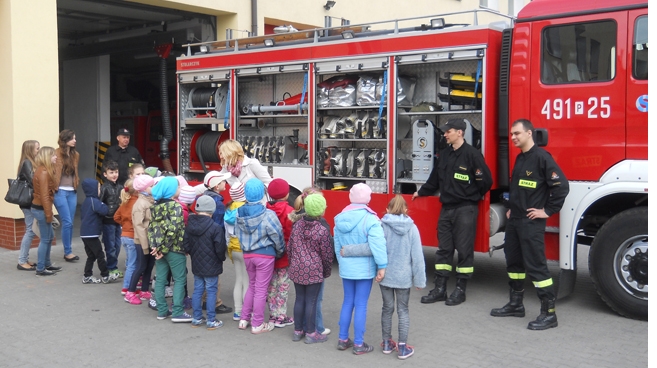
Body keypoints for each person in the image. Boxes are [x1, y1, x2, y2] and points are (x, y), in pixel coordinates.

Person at [490, 119, 569, 330]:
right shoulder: (520, 158)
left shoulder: (542, 158)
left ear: (529, 134)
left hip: (531, 223)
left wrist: (547, 211)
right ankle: (516, 305)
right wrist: (511, 206)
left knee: (536, 266)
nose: (513, 137)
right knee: (514, 263)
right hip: (515, 220)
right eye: (512, 134)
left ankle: (549, 313)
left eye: (517, 133)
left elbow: (561, 187)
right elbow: (520, 188)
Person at [413, 118, 492, 306]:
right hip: (446, 209)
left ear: (460, 133)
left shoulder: (473, 155)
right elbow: (434, 179)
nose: (445, 134)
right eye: (445, 131)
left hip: (465, 209)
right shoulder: (445, 155)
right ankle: (440, 288)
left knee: (464, 251)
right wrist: (421, 192)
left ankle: (460, 290)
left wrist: (470, 195)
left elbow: (486, 182)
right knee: (444, 250)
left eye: (449, 131)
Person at [333, 183, 387, 355]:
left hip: (347, 268)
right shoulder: (370, 219)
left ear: (350, 196)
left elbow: (337, 245)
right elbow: (378, 245)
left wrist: (342, 261)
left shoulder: (340, 217)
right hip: (364, 270)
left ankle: (342, 339)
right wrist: (382, 266)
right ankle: (358, 343)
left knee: (347, 301)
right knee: (361, 304)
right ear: (369, 198)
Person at [376, 196, 426, 359]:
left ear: (388, 209)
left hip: (385, 276)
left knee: (387, 309)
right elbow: (417, 256)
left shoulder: (382, 226)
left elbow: (376, 249)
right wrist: (420, 280)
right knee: (403, 310)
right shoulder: (412, 228)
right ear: (405, 210)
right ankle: (403, 348)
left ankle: (386, 343)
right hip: (404, 277)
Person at [235, 178, 284, 334]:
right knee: (261, 290)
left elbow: (236, 233)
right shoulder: (268, 214)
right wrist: (280, 250)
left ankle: (244, 319)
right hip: (265, 255)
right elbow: (277, 234)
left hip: (247, 254)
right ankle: (257, 323)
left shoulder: (239, 213)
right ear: (263, 194)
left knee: (252, 285)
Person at [288, 193, 334, 344]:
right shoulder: (322, 230)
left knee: (299, 299)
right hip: (314, 270)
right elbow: (327, 255)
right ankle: (311, 333)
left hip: (297, 267)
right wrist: (325, 271)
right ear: (322, 210)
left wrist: (292, 263)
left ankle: (297, 330)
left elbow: (290, 248)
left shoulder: (297, 226)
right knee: (311, 301)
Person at [148, 177, 190, 322]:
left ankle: (162, 310)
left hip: (159, 250)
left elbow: (151, 229)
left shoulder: (155, 207)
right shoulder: (177, 207)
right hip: (175, 249)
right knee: (179, 279)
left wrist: (155, 248)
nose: (180, 189)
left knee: (160, 279)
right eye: (178, 187)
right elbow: (174, 230)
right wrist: (164, 249)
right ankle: (178, 311)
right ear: (171, 191)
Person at [184, 195, 227, 330]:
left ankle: (196, 318)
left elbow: (186, 245)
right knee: (211, 291)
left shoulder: (190, 225)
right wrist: (221, 258)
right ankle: (211, 319)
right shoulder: (215, 228)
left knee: (197, 290)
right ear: (212, 210)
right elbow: (220, 248)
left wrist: (193, 254)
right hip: (212, 264)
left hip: (196, 262)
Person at [201, 170, 233, 315]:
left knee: (202, 274)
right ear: (215, 186)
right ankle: (215, 302)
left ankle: (203, 300)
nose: (225, 183)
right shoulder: (218, 205)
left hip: (202, 243)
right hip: (213, 244)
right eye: (222, 182)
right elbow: (219, 227)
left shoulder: (204, 198)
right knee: (214, 276)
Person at [265, 178, 295, 328]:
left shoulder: (265, 210)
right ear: (287, 194)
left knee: (271, 285)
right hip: (284, 256)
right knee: (282, 286)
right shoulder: (290, 212)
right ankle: (280, 315)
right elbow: (291, 234)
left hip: (268, 254)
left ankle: (272, 314)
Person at [30, 146, 63, 276]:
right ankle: (41, 268)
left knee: (49, 237)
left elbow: (53, 188)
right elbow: (44, 196)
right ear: (47, 157)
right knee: (45, 238)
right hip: (41, 209)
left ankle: (46, 264)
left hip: (41, 208)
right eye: (53, 155)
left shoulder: (45, 170)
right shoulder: (43, 172)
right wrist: (49, 214)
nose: (56, 157)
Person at [80, 178, 119, 284]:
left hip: (84, 234)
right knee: (100, 255)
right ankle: (105, 274)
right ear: (92, 189)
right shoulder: (94, 201)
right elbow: (104, 210)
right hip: (91, 234)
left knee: (91, 255)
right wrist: (105, 205)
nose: (100, 190)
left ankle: (87, 275)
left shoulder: (86, 202)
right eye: (98, 188)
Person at [127, 174, 156, 305]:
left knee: (149, 266)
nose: (154, 187)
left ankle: (144, 290)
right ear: (144, 188)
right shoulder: (140, 204)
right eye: (151, 185)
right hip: (142, 241)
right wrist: (145, 245)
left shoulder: (150, 200)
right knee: (141, 266)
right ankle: (130, 292)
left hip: (150, 240)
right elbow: (139, 226)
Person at [53, 129, 80, 262]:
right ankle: (68, 252)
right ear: (65, 140)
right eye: (72, 138)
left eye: (75, 138)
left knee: (70, 222)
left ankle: (68, 251)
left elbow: (75, 172)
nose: (75, 140)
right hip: (60, 191)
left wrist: (77, 183)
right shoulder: (56, 154)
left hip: (72, 191)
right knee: (67, 222)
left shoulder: (75, 155)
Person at [224, 183, 249, 322]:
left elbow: (226, 232)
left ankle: (237, 311)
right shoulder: (245, 209)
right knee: (247, 281)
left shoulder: (228, 209)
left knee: (238, 280)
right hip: (244, 248)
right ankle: (245, 311)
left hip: (233, 248)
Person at [16, 140, 39, 271]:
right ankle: (22, 261)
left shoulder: (28, 162)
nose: (38, 150)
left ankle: (24, 258)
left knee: (30, 230)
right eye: (37, 148)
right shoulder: (27, 162)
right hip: (28, 202)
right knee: (30, 230)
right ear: (30, 150)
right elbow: (33, 181)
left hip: (28, 202)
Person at [114, 178, 139, 296]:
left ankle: (129, 285)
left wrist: (124, 225)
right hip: (133, 236)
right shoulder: (137, 202)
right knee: (132, 264)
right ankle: (127, 287)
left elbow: (116, 217)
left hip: (124, 235)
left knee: (130, 261)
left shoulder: (124, 202)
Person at [99, 160, 123, 278]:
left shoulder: (120, 187)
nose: (114, 175)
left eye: (116, 172)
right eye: (111, 172)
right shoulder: (104, 188)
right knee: (110, 246)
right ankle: (111, 268)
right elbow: (100, 204)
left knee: (117, 245)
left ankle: (113, 265)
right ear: (105, 174)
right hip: (108, 221)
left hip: (118, 221)